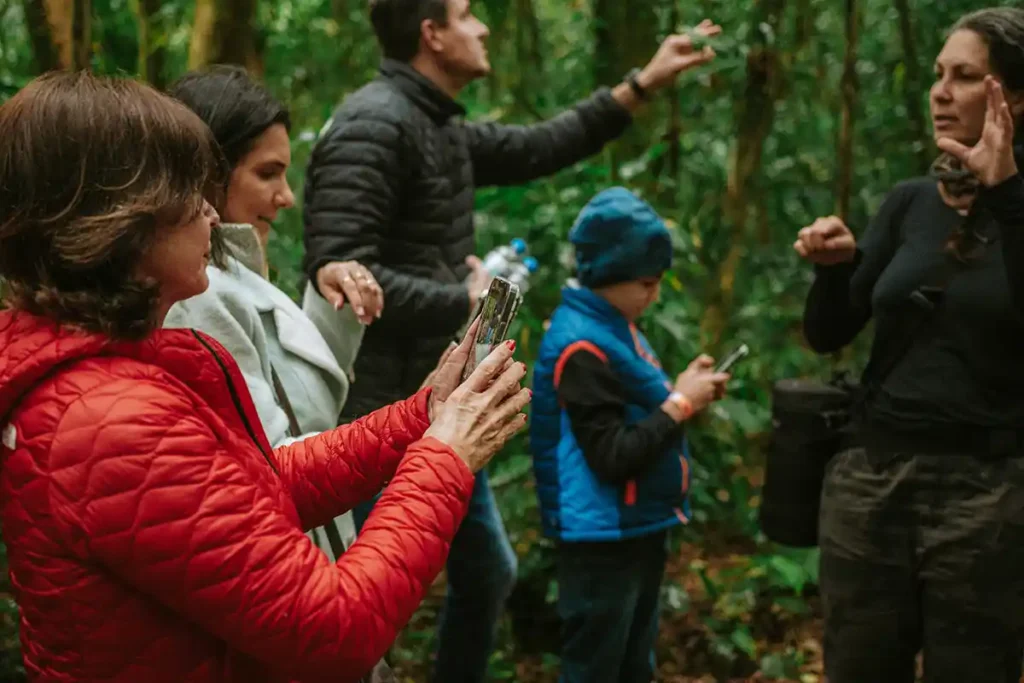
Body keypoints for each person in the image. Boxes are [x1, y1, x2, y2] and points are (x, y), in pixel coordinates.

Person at [0, 70, 530, 683]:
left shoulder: (114, 379)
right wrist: (445, 458)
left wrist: (422, 417)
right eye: (187, 193)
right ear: (119, 220)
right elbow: (335, 631)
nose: (209, 212)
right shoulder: (109, 423)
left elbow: (256, 483)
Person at [302, 0, 722, 677]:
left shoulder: (436, 125)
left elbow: (539, 146)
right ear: (432, 34)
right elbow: (340, 272)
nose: (484, 27)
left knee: (487, 572)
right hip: (376, 415)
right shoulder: (372, 126)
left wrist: (642, 83)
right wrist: (462, 300)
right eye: (468, 14)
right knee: (365, 605)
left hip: (442, 406)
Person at [794, 8, 1024, 682]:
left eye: (965, 76)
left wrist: (1006, 192)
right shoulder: (910, 202)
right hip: (872, 482)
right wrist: (833, 268)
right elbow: (828, 333)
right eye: (938, 75)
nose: (941, 93)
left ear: (1012, 97)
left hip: (989, 495)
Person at [163, 65, 382, 563]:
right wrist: (418, 427)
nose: (287, 196)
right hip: (287, 557)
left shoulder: (231, 270)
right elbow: (272, 461)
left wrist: (332, 302)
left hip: (312, 543)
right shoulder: (197, 291)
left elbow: (301, 403)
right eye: (267, 173)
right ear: (208, 174)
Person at [529, 188, 728, 683]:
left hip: (634, 527)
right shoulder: (581, 345)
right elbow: (612, 455)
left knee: (633, 665)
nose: (654, 295)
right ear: (608, 276)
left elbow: (638, 405)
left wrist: (684, 391)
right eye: (646, 284)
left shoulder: (615, 324)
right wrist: (680, 404)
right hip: (601, 539)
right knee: (596, 667)